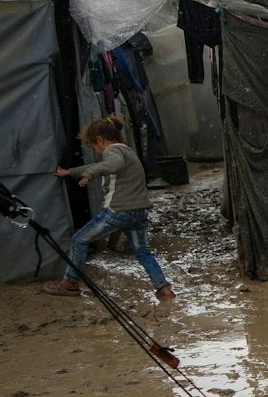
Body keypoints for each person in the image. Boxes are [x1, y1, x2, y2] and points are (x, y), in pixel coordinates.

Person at [44, 117, 174, 299]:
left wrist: (89, 175)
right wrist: (70, 172)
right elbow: (100, 166)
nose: (96, 152)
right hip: (139, 211)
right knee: (143, 252)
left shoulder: (112, 151)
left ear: (100, 140)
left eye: (94, 147)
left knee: (79, 239)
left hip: (119, 211)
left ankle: (70, 282)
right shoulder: (126, 151)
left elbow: (111, 165)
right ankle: (163, 288)